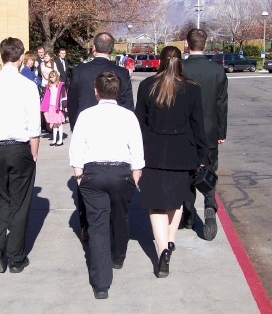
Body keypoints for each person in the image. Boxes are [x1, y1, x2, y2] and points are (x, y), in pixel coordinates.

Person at [135, 46, 209, 278]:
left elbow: (140, 123)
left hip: (153, 152)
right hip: (182, 151)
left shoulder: (147, 85)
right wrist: (203, 156)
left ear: (160, 61)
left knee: (156, 204)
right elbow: (198, 124)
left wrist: (136, 154)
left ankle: (162, 249)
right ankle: (171, 241)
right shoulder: (192, 88)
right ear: (180, 62)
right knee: (175, 201)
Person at [69, 71, 144, 299]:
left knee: (98, 226)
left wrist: (80, 178)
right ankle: (118, 257)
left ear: (96, 91)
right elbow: (138, 153)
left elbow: (76, 150)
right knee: (121, 216)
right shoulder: (128, 116)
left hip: (94, 173)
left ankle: (101, 283)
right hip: (122, 173)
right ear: (119, 92)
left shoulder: (86, 115)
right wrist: (134, 178)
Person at [0, 37, 41, 274]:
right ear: (21, 57)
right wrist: (34, 154)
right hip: (19, 147)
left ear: (1, 56)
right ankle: (15, 257)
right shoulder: (27, 85)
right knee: (21, 203)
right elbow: (34, 125)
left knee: (2, 197)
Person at [67, 32, 134, 241]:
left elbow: (71, 105)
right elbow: (129, 107)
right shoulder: (121, 73)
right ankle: (113, 224)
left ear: (93, 48)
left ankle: (87, 225)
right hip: (116, 134)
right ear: (112, 49)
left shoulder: (79, 71)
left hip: (87, 131)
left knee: (85, 177)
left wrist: (76, 129)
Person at [182, 28, 228, 241]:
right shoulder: (217, 71)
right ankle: (210, 204)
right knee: (208, 170)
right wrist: (221, 131)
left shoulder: (180, 68)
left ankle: (189, 215)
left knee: (188, 174)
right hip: (209, 131)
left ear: (187, 44)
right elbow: (221, 103)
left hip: (186, 132)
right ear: (205, 45)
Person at [40, 70, 66, 146]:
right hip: (51, 106)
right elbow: (46, 97)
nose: (52, 79)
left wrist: (63, 105)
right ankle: (54, 139)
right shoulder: (49, 86)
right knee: (54, 124)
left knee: (59, 123)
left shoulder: (60, 85)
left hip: (57, 106)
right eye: (50, 77)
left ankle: (60, 139)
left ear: (56, 77)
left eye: (53, 77)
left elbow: (64, 95)